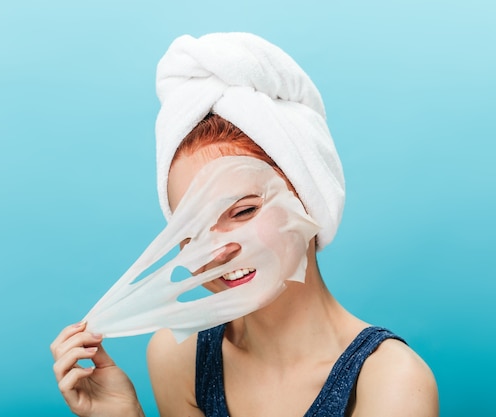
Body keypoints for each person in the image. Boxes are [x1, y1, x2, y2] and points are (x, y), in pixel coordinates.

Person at [50, 33, 439, 417]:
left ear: (308, 198)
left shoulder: (390, 382)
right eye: (191, 230)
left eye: (243, 211)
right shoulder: (177, 355)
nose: (218, 251)